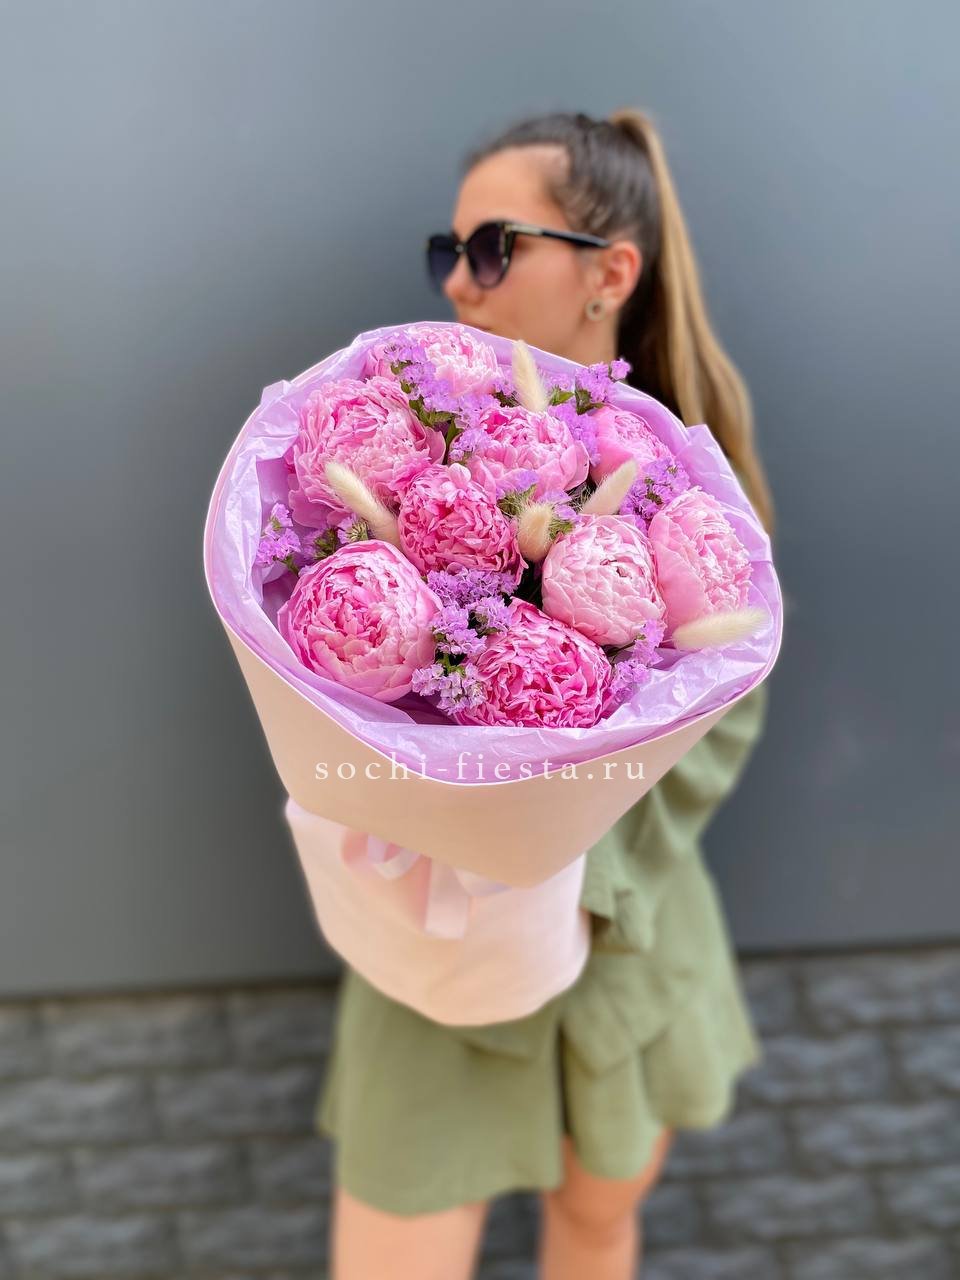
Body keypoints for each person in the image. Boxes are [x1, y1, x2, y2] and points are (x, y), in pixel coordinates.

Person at [316, 108, 778, 1280]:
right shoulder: (403, 455)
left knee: (596, 1227)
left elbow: (722, 730)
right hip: (434, 953)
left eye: (492, 248)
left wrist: (548, 856)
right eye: (450, 250)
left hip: (623, 941)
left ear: (609, 274)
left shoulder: (695, 487)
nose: (457, 282)